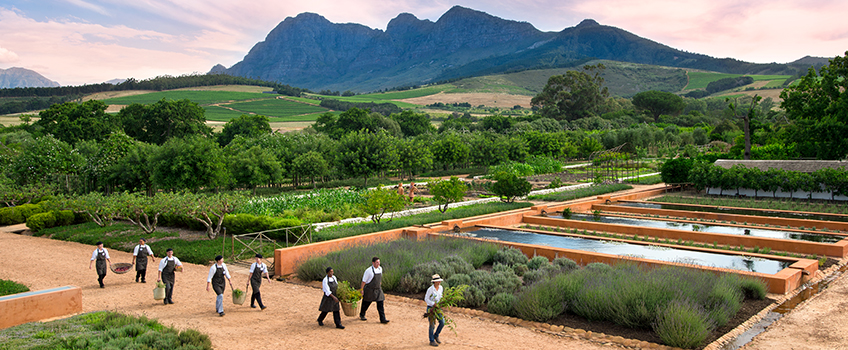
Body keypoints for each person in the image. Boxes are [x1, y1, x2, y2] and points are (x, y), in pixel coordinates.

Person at [359, 256, 389, 323]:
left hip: (378, 289)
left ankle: (382, 319)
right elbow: (364, 281)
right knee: (366, 303)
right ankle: (362, 314)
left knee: (380, 303)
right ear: (373, 263)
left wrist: (379, 284)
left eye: (379, 262)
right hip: (370, 290)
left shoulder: (380, 269)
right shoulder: (368, 271)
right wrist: (361, 289)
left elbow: (379, 279)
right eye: (377, 262)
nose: (378, 264)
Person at [425, 274, 445, 347]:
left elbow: (441, 296)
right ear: (434, 282)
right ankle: (431, 340)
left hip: (438, 308)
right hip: (431, 308)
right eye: (437, 281)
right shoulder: (430, 289)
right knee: (432, 325)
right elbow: (426, 299)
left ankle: (436, 335)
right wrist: (433, 304)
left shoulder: (441, 288)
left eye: (439, 281)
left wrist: (441, 302)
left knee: (442, 322)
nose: (439, 282)